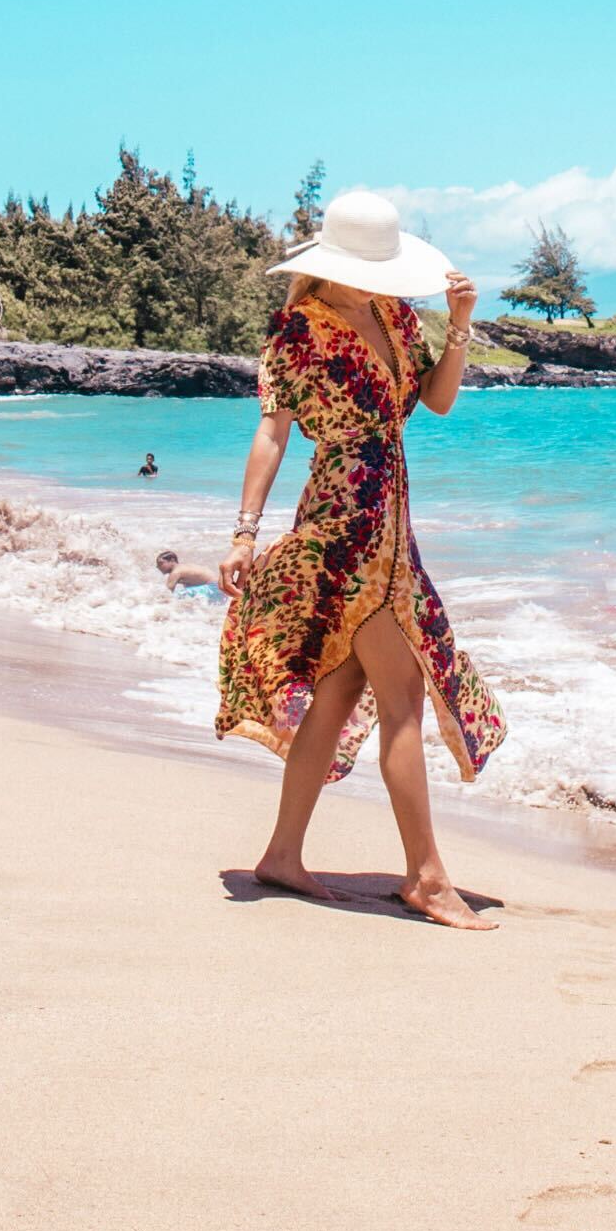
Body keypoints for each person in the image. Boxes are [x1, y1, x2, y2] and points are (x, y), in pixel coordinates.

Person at [215, 190, 507, 930]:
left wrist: (461, 326)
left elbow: (435, 405)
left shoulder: (397, 317)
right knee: (401, 693)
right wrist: (245, 533)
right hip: (345, 518)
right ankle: (428, 878)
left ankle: (282, 854)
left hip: (391, 517)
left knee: (343, 687)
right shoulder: (298, 332)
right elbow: (273, 435)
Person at [156, 550, 224, 600]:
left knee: (177, 596)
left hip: (212, 588)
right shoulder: (184, 568)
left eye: (161, 563)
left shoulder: (176, 572)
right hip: (221, 590)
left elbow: (167, 594)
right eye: (157, 565)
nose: (158, 567)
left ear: (172, 560)